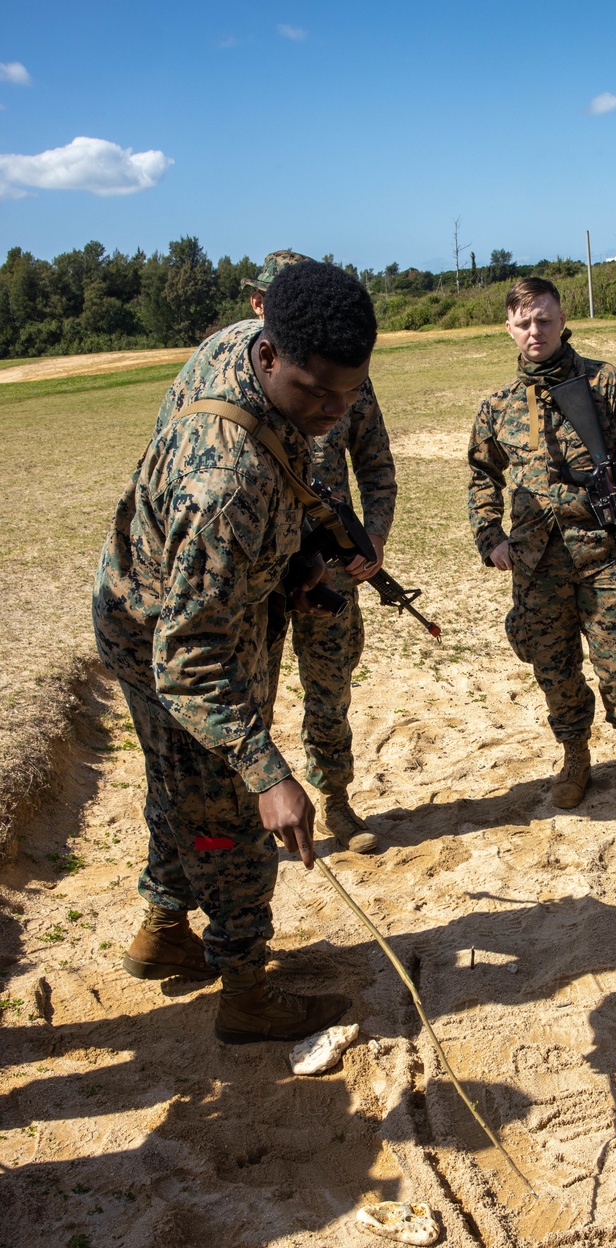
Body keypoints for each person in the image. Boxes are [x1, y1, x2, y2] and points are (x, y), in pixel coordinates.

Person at [93, 260, 378, 1042]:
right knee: (230, 811)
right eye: (312, 391)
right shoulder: (227, 484)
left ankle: (161, 932)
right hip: (169, 636)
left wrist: (297, 566)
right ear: (268, 356)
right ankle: (246, 991)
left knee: (179, 781)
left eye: (346, 395)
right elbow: (188, 661)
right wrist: (268, 772)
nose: (327, 412)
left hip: (187, 603)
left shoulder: (245, 350)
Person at [468, 277, 616, 808]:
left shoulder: (608, 385)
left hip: (604, 554)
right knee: (553, 667)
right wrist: (490, 536)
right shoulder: (497, 406)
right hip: (535, 559)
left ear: (562, 318)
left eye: (544, 319)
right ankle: (575, 755)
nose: (535, 331)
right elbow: (482, 474)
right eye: (524, 322)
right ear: (509, 328)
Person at [243, 251, 398, 854]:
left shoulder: (346, 378)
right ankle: (252, 814)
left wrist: (375, 539)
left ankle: (335, 801)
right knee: (250, 692)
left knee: (330, 688)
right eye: (260, 298)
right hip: (258, 567)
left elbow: (378, 469)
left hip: (332, 562)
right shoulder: (242, 379)